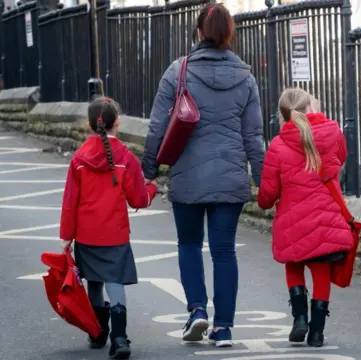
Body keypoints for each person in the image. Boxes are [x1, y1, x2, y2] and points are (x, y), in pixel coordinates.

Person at [141, 3, 265, 348]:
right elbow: (253, 137)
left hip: (188, 176)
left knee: (190, 244)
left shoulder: (177, 71)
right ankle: (223, 328)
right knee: (224, 252)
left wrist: (147, 172)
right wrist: (263, 180)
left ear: (198, 33)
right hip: (230, 178)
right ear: (229, 34)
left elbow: (157, 127)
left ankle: (197, 309)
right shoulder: (247, 78)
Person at [60, 96, 158, 359]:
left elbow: (70, 201)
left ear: (90, 125)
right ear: (117, 123)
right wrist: (152, 188)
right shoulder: (126, 158)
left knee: (94, 281)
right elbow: (139, 199)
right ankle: (118, 337)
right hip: (114, 233)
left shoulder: (79, 159)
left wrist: (67, 237)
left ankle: (97, 330)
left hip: (87, 234)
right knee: (115, 282)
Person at [256, 88, 354, 348]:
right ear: (311, 106)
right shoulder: (334, 134)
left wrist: (263, 202)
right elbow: (341, 158)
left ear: (283, 114)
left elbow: (268, 193)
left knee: (294, 265)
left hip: (292, 221)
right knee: (321, 272)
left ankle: (300, 319)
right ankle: (317, 333)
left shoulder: (278, 145)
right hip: (326, 220)